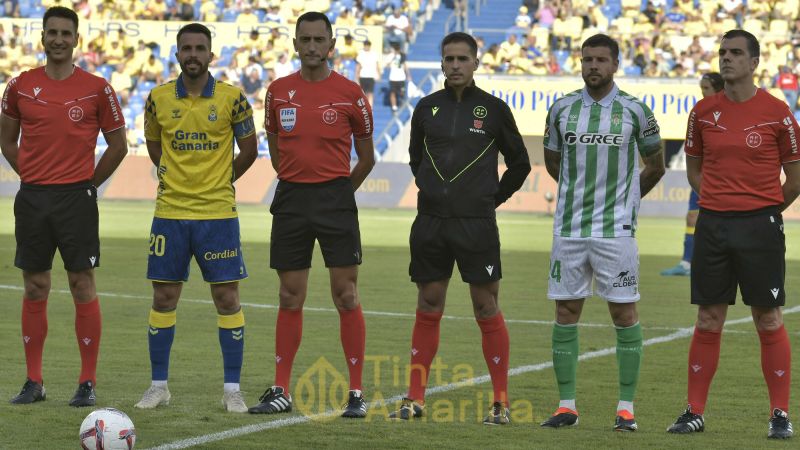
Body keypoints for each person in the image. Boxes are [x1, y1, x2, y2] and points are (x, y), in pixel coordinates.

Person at [388, 32, 531, 425]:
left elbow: (520, 164)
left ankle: (500, 402)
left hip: (476, 225)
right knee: (428, 304)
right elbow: (417, 159)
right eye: (448, 58)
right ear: (441, 63)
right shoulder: (425, 108)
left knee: (486, 306)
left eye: (462, 59)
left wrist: (491, 199)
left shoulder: (494, 109)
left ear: (475, 63)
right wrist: (434, 193)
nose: (455, 65)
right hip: (431, 223)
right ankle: (414, 399)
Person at [667, 29, 800, 439]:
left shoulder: (778, 112)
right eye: (723, 52)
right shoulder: (703, 111)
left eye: (736, 53)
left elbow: (794, 178)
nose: (727, 59)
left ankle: (779, 414)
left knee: (767, 317)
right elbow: (693, 169)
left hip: (760, 225)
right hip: (713, 224)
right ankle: (694, 411)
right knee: (708, 318)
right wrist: (718, 199)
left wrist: (763, 209)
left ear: (754, 62)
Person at [248, 11, 375, 419]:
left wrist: (338, 193)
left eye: (320, 39)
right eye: (306, 39)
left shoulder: (351, 93)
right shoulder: (278, 92)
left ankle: (356, 392)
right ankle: (280, 387)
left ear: (331, 44)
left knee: (346, 294)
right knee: (289, 295)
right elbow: (274, 143)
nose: (313, 46)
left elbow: (367, 157)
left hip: (335, 198)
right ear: (296, 44)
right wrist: (297, 182)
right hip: (292, 199)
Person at [0, 6, 127, 407]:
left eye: (65, 33)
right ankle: (33, 381)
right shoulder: (19, 86)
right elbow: (6, 140)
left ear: (76, 39)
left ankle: (87, 381)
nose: (58, 39)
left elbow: (118, 145)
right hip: (34, 199)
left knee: (81, 284)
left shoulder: (97, 88)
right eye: (51, 32)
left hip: (77, 199)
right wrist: (31, 175)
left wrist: (89, 184)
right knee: (35, 286)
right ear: (42, 37)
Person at [541, 34, 665, 431]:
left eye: (601, 60)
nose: (593, 65)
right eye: (587, 59)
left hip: (617, 233)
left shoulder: (635, 111)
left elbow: (655, 164)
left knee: (624, 313)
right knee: (565, 312)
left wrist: (626, 202)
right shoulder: (561, 109)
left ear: (615, 65)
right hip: (570, 229)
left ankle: (626, 409)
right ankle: (566, 406)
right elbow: (552, 161)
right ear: (580, 63)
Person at [133, 23, 258, 413]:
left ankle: (232, 390)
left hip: (218, 215)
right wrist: (174, 174)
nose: (192, 54)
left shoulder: (233, 99)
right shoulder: (156, 99)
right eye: (186, 48)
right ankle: (158, 386)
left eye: (199, 48)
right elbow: (154, 143)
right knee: (164, 296)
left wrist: (220, 179)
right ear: (176, 54)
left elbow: (250, 149)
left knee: (226, 297)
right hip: (170, 214)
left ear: (210, 55)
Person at [661, 72, 725, 276]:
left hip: (719, 177)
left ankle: (709, 262)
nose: (703, 92)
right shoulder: (701, 112)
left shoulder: (727, 112)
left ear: (718, 89)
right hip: (702, 175)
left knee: (714, 221)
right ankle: (687, 263)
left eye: (706, 88)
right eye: (701, 88)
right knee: (691, 218)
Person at [356, 40, 380, 107]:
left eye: (367, 45)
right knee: (362, 93)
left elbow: (377, 65)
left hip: (371, 75)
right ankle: (364, 107)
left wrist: (378, 74)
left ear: (370, 46)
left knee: (370, 93)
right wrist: (357, 76)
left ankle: (370, 107)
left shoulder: (374, 54)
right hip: (362, 75)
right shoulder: (361, 53)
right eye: (365, 45)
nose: (366, 46)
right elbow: (358, 66)